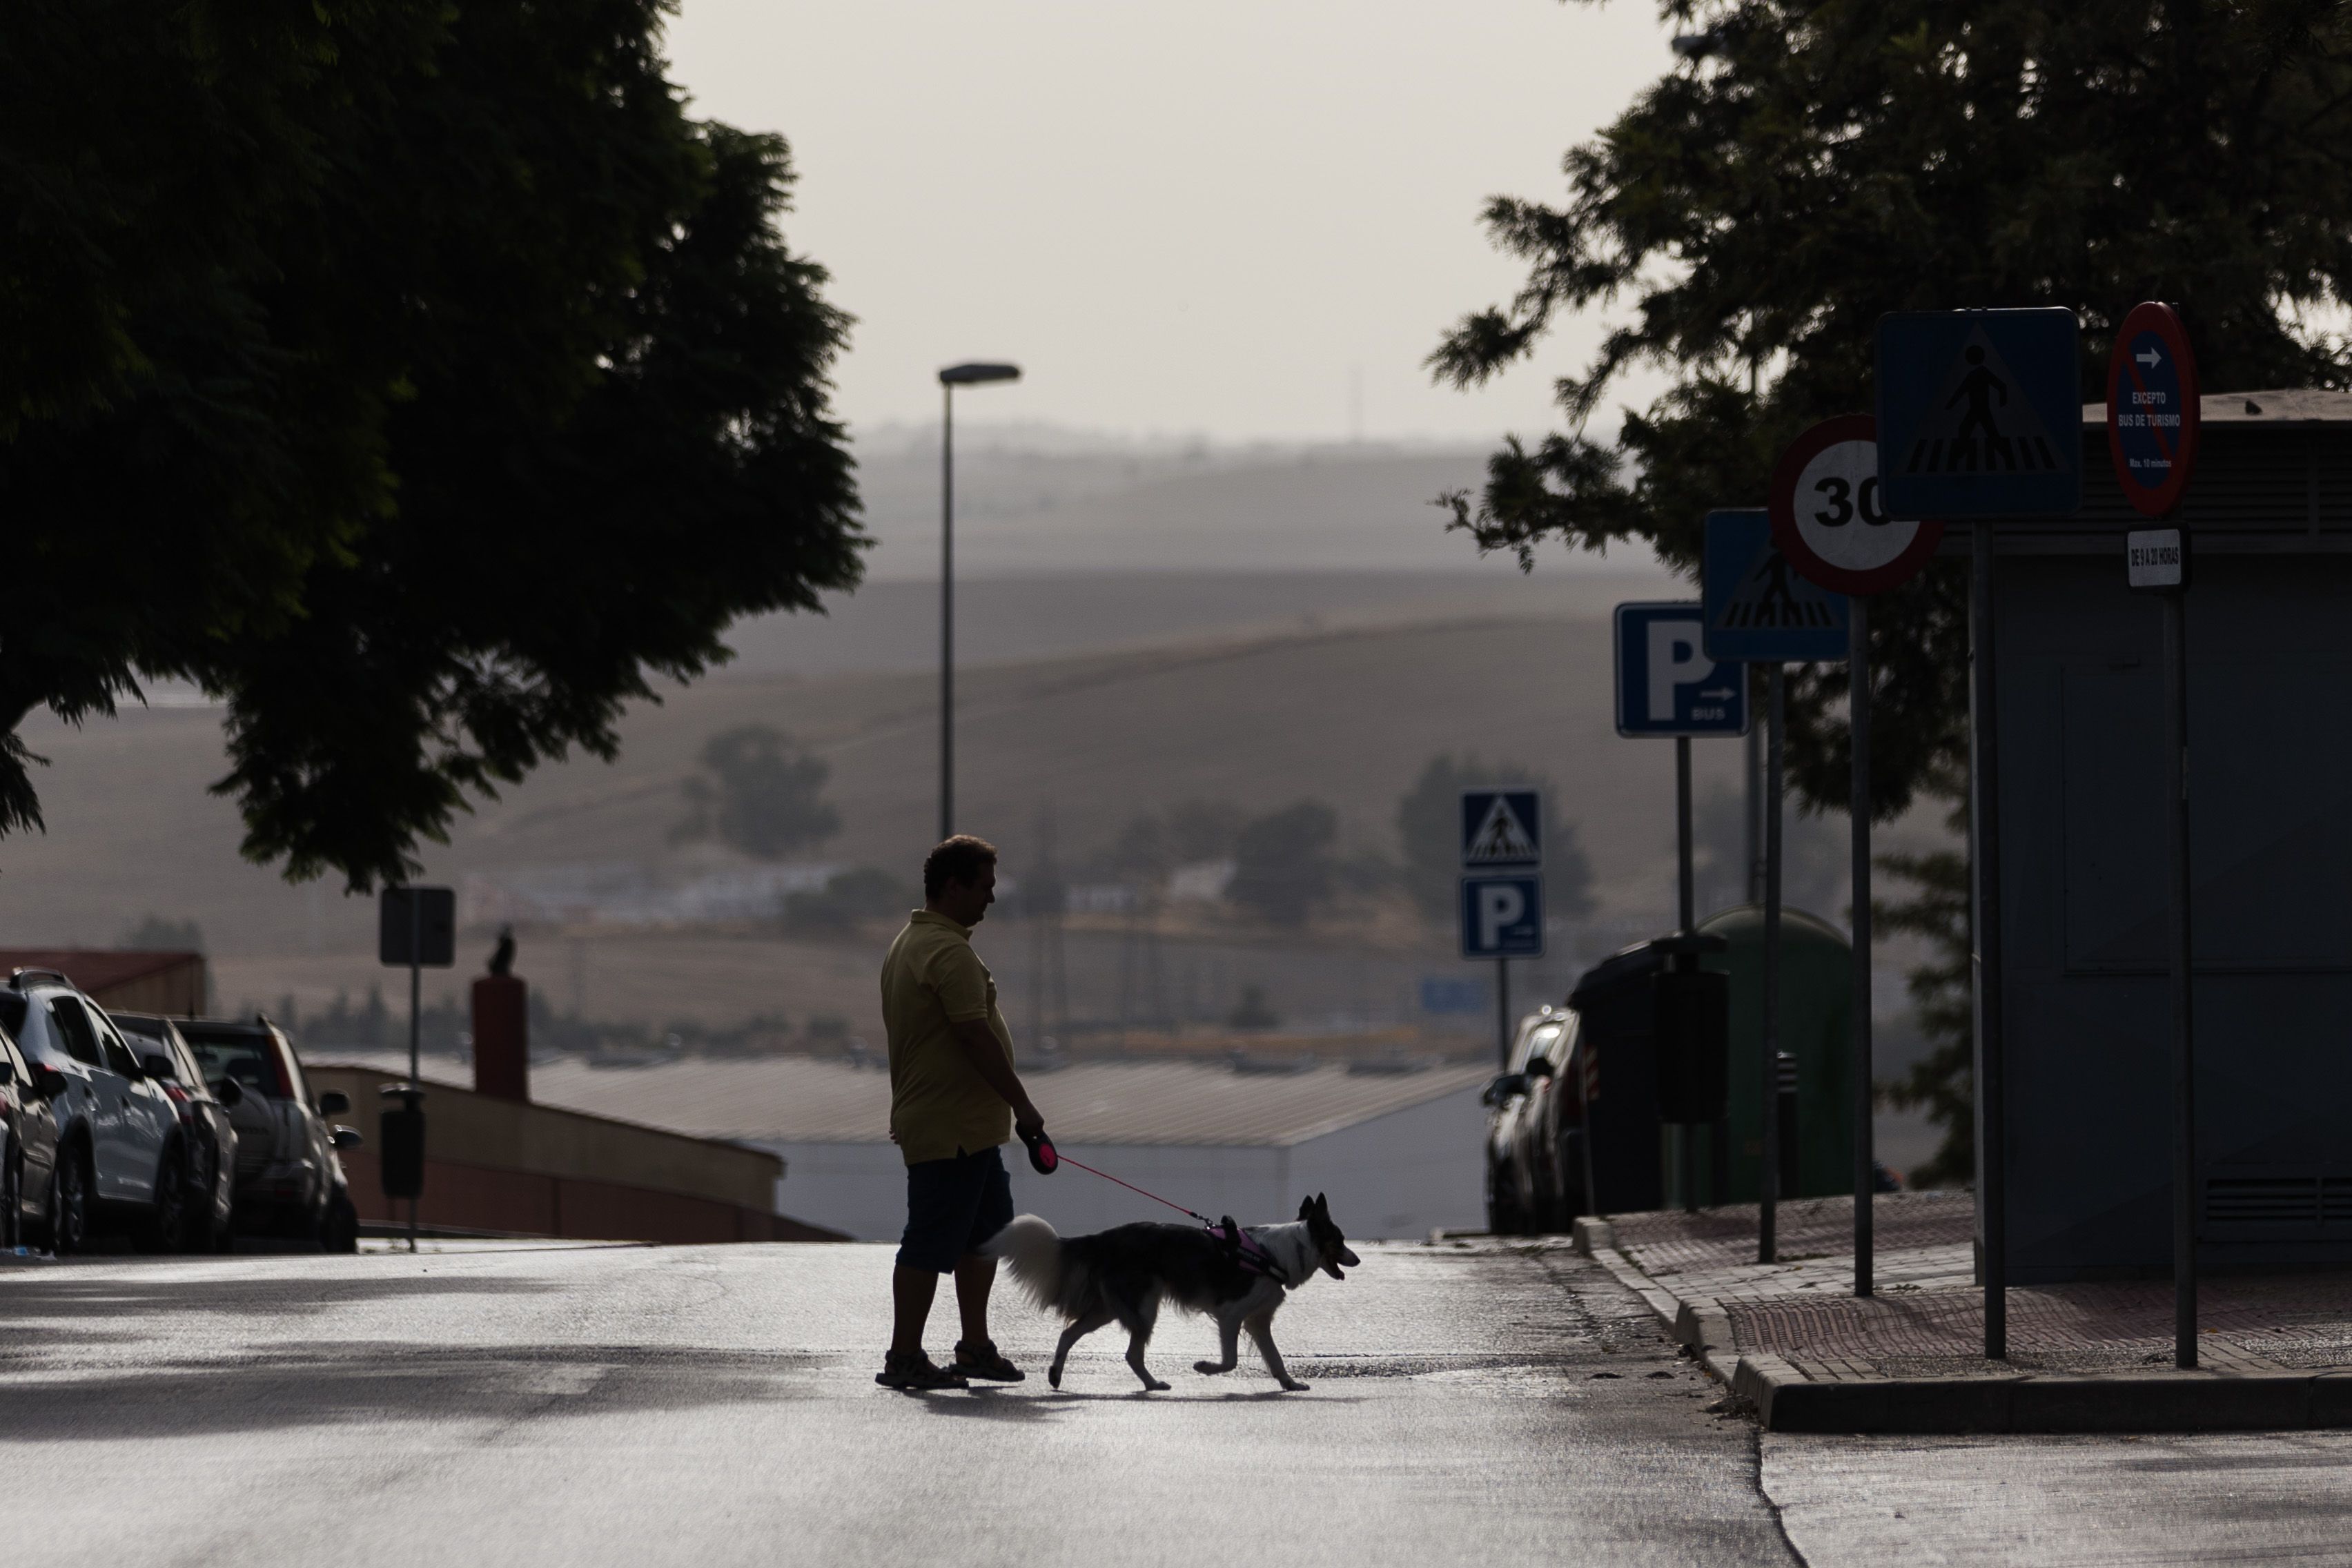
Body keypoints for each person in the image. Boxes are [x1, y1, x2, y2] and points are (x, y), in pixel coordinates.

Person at [875, 834, 1048, 1391]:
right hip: (951, 1128)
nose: (991, 898)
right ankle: (904, 1356)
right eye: (984, 887)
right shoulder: (947, 953)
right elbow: (974, 1036)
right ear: (954, 887)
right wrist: (1024, 1106)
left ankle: (975, 1346)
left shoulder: (911, 942)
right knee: (929, 1240)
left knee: (987, 1235)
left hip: (968, 1130)